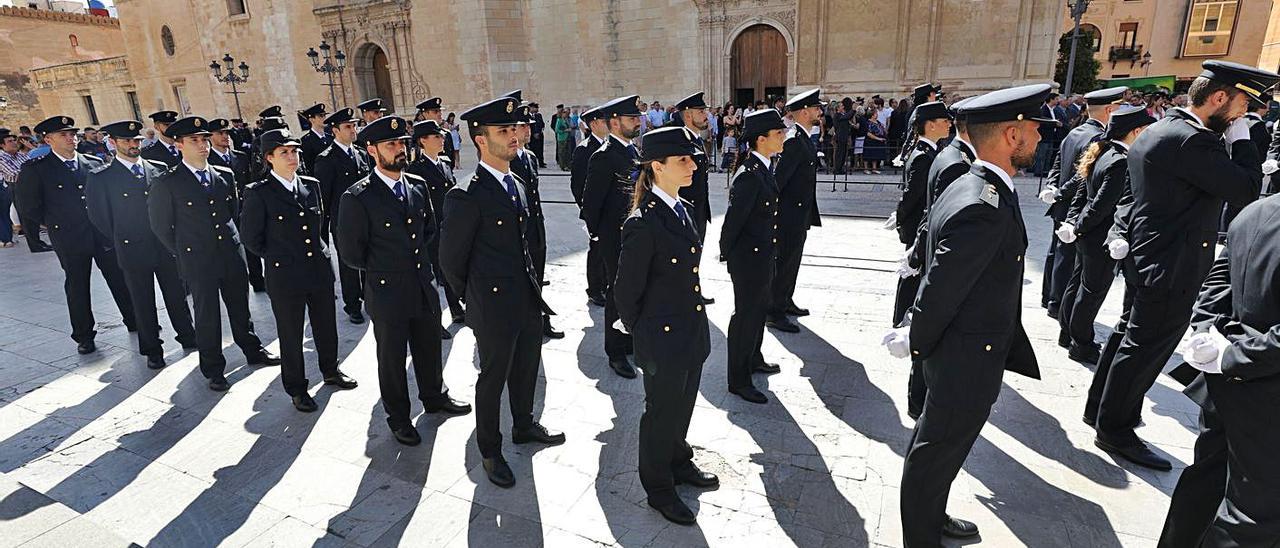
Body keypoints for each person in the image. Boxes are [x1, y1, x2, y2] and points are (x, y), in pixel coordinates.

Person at [1091, 61, 1277, 471]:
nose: (1243, 114)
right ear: (1219, 98)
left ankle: (1100, 411)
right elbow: (1246, 189)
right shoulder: (1193, 141)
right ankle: (1114, 428)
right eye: (1242, 104)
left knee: (1129, 339)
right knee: (1144, 348)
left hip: (1151, 255)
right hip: (1171, 264)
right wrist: (1242, 139)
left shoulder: (1165, 128)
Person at [884, 84, 1048, 547]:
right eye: (1034, 129)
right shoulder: (982, 202)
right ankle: (921, 536)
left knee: (939, 446)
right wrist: (914, 336)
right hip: (965, 356)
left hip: (964, 350)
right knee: (934, 452)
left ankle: (931, 516)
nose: (1039, 138)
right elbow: (942, 286)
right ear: (1012, 135)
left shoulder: (977, 185)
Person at [440, 96, 564, 487]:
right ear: (480, 139)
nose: (514, 136)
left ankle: (524, 425)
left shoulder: (518, 184)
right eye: (503, 131)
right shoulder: (466, 195)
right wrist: (476, 298)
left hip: (526, 297)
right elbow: (450, 262)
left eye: (515, 129)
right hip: (492, 304)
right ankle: (490, 450)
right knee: (493, 378)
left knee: (527, 367)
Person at [336, 115, 471, 444]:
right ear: (372, 151)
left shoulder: (417, 185)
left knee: (428, 347)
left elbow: (428, 231)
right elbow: (351, 252)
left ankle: (434, 397)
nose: (399, 150)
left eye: (402, 143)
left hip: (422, 284)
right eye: (390, 145)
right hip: (387, 290)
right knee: (393, 358)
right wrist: (388, 265)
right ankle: (398, 416)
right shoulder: (357, 197)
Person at [1157, 191, 1280, 547]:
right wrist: (1228, 355)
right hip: (1264, 392)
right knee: (1253, 520)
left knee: (1204, 486)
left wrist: (1204, 335)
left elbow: (1216, 282)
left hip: (1225, 384)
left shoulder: (1254, 212)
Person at [614, 126, 719, 526]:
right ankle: (658, 487)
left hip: (690, 329)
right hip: (662, 338)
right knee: (660, 413)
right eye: (683, 160)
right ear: (657, 166)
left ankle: (678, 459)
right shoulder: (643, 222)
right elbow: (626, 291)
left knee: (683, 405)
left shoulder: (683, 208)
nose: (693, 165)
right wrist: (643, 334)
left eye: (692, 158)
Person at [148, 116, 281, 391]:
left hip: (230, 253)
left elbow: (232, 214)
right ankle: (213, 367)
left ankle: (252, 349)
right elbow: (161, 227)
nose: (202, 145)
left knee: (240, 306)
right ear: (179, 145)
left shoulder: (224, 175)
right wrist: (185, 252)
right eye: (194, 140)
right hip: (198, 258)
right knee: (207, 313)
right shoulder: (168, 182)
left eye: (204, 139)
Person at [240, 128, 358, 412]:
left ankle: (330, 370)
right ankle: (296, 387)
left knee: (326, 326)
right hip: (285, 274)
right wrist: (281, 257)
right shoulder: (259, 192)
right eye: (284, 152)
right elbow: (250, 238)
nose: (292, 157)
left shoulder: (311, 185)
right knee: (291, 334)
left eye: (294, 151)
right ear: (269, 158)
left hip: (317, 268)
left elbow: (318, 225)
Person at [18, 115, 137, 354]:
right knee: (77, 284)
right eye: (63, 134)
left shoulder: (92, 163)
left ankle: (135, 320)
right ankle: (84, 335)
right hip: (69, 237)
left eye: (72, 134)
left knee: (120, 278)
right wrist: (56, 224)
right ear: (48, 139)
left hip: (102, 234)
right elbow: (28, 207)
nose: (71, 138)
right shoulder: (37, 169)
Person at [84, 120, 197, 369]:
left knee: (176, 294)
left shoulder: (157, 168)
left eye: (136, 140)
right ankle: (152, 349)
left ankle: (188, 335)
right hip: (132, 246)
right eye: (127, 141)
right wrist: (121, 237)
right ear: (112, 143)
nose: (134, 145)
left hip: (164, 244)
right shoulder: (102, 177)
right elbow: (99, 217)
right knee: (142, 300)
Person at [1057, 100, 1147, 365]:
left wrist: (1074, 223)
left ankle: (1067, 332)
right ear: (1135, 132)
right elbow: (1100, 206)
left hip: (1088, 235)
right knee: (1091, 293)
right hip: (1099, 237)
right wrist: (1077, 224)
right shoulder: (1119, 161)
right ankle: (1080, 343)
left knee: (1078, 285)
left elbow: (1083, 196)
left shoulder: (1104, 153)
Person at [1041, 86, 1128, 321]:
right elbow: (1082, 174)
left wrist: (1052, 187)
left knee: (1057, 254)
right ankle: (1057, 304)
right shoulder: (1097, 138)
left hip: (1065, 204)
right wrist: (1058, 191)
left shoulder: (1076, 131)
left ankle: (1049, 297)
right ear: (1110, 110)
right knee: (1068, 260)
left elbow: (1058, 163)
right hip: (1075, 206)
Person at [720, 109, 787, 405]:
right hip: (748, 260)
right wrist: (730, 257)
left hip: (762, 256)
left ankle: (754, 357)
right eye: (778, 134)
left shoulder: (763, 168)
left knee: (758, 312)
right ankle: (738, 378)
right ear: (761, 140)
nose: (783, 137)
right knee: (745, 316)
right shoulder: (748, 176)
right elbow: (733, 223)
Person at [581, 95, 644, 378]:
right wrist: (597, 236)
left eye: (638, 118)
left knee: (633, 291)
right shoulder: (604, 156)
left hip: (634, 237)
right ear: (615, 122)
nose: (638, 123)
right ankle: (615, 352)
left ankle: (629, 341)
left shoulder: (633, 151)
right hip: (614, 238)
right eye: (632, 119)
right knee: (617, 295)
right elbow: (591, 202)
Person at [764, 89, 825, 336]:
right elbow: (778, 181)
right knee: (784, 261)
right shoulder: (793, 141)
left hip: (800, 213)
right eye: (816, 108)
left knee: (793, 261)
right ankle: (774, 311)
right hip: (788, 215)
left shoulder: (803, 138)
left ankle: (785, 300)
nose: (820, 111)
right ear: (804, 112)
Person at [510, 100, 564, 340]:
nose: (528, 130)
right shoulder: (508, 160)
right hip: (519, 232)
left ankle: (542, 321)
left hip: (536, 229)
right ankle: (527, 324)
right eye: (523, 126)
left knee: (538, 277)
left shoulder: (530, 157)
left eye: (529, 126)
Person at [404, 119, 465, 330]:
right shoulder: (414, 169)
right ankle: (433, 321)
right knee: (431, 276)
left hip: (449, 226)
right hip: (429, 230)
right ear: (423, 140)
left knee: (449, 269)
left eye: (441, 135)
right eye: (437, 136)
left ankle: (456, 310)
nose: (442, 139)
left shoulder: (445, 162)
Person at [312, 107, 371, 324]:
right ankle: (352, 304)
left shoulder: (362, 154)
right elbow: (323, 197)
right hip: (343, 222)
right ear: (335, 130)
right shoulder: (326, 159)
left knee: (368, 259)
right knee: (348, 264)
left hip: (367, 219)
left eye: (354, 125)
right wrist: (324, 227)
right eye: (348, 126)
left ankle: (369, 297)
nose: (353, 130)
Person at [207, 118, 262, 292]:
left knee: (251, 246)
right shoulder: (208, 161)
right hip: (225, 212)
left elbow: (249, 182)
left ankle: (258, 280)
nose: (225, 136)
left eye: (227, 133)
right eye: (220, 133)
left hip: (245, 209)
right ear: (210, 137)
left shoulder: (240, 157)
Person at [571, 105, 609, 307]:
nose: (609, 124)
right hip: (595, 212)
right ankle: (595, 288)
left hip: (610, 211)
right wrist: (588, 212)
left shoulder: (610, 146)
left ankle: (606, 283)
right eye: (604, 121)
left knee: (608, 250)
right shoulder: (584, 150)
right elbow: (578, 185)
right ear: (593, 124)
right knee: (596, 251)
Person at [673, 92, 713, 239]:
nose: (706, 115)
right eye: (701, 112)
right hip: (686, 213)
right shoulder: (681, 143)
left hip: (699, 212)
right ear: (688, 116)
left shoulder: (696, 140)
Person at [0, 129, 35, 250]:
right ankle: (8, 239)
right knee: (18, 213)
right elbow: (13, 174)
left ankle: (35, 239)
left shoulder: (20, 155)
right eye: (10, 141)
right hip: (13, 186)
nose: (14, 143)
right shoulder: (2, 158)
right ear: (2, 145)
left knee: (30, 212)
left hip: (28, 186)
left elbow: (32, 166)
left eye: (14, 140)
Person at [414, 98, 457, 167]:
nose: (440, 114)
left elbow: (451, 162)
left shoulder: (446, 134)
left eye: (440, 111)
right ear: (425, 114)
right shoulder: (417, 136)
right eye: (435, 111)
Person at [298, 103, 330, 173]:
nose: (324, 118)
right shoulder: (305, 141)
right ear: (312, 119)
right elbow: (309, 166)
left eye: (325, 115)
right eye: (321, 116)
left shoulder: (331, 138)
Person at [554, 106, 574, 171]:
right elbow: (557, 130)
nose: (566, 114)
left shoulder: (565, 120)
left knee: (567, 152)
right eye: (564, 113)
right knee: (562, 153)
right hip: (562, 138)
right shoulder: (559, 120)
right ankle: (563, 166)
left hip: (567, 137)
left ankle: (568, 165)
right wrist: (565, 130)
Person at [528, 101, 547, 168]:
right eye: (535, 108)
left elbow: (542, 124)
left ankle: (541, 163)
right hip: (532, 137)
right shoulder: (527, 116)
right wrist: (533, 134)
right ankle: (533, 163)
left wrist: (539, 132)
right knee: (532, 149)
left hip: (539, 135)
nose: (537, 109)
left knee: (540, 149)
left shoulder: (539, 115)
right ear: (531, 108)